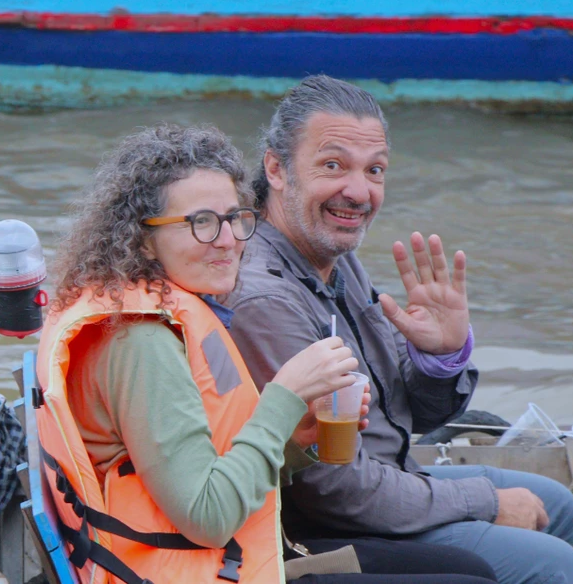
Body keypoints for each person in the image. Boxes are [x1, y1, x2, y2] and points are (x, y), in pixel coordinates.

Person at [34, 123, 499, 584]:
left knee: (471, 570)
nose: (228, 240)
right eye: (201, 222)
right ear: (141, 239)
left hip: (226, 556)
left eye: (234, 218)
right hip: (191, 569)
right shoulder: (139, 341)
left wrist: (296, 439)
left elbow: (214, 474)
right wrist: (283, 399)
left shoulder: (159, 308)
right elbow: (208, 516)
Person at [224, 76, 573, 584]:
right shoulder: (265, 297)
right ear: (276, 169)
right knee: (552, 562)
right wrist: (485, 501)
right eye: (333, 166)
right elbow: (333, 489)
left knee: (557, 503)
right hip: (324, 526)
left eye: (374, 170)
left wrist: (442, 357)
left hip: (387, 478)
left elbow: (414, 416)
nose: (359, 192)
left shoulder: (334, 259)